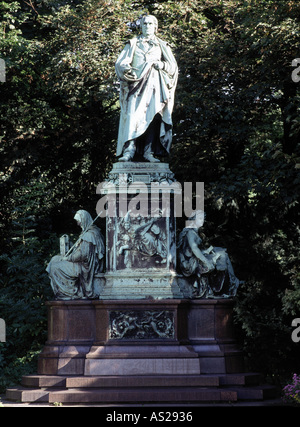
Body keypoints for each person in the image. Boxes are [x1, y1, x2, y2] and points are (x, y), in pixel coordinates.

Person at [115, 15, 178, 162]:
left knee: (152, 119)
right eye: (145, 24)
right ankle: (129, 150)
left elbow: (173, 68)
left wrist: (162, 65)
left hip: (155, 88)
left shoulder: (162, 45)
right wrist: (126, 70)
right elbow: (120, 63)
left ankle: (148, 152)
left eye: (150, 24)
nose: (147, 26)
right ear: (141, 26)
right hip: (136, 86)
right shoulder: (132, 43)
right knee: (132, 117)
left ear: (155, 27)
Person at [177, 210, 240, 298]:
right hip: (190, 264)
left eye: (203, 218)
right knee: (221, 256)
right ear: (193, 219)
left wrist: (206, 252)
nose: (202, 220)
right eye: (200, 218)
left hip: (194, 259)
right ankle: (230, 284)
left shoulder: (194, 232)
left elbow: (194, 251)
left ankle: (231, 283)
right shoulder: (190, 233)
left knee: (222, 252)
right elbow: (194, 249)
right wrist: (206, 260)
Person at [46, 210, 105, 299]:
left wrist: (68, 258)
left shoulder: (89, 235)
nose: (78, 224)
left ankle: (69, 292)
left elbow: (82, 255)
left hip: (84, 266)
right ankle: (67, 291)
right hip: (81, 263)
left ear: (84, 220)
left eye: (79, 221)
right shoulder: (88, 233)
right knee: (55, 259)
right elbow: (81, 250)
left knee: (55, 267)